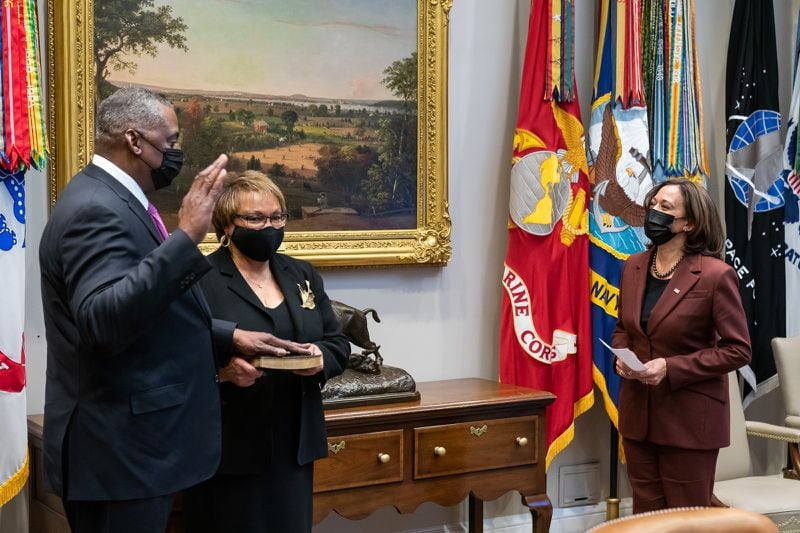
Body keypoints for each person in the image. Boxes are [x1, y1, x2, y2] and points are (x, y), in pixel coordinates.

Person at [39, 88, 299, 533]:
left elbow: (147, 311)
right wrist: (186, 237)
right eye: (171, 141)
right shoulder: (97, 209)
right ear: (135, 141)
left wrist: (226, 337)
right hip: (119, 453)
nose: (177, 153)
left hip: (133, 452)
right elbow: (104, 321)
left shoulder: (116, 199)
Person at [183, 171, 350, 533]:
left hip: (293, 445)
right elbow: (176, 351)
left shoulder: (301, 273)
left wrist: (319, 358)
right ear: (227, 225)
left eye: (277, 218)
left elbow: (337, 343)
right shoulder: (199, 277)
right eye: (255, 219)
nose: (269, 227)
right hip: (228, 447)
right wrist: (224, 374)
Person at [612, 178, 752, 513]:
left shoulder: (715, 276)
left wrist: (670, 367)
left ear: (687, 223)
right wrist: (622, 357)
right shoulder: (634, 265)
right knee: (648, 517)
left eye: (665, 208)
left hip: (689, 422)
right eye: (653, 204)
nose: (653, 212)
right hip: (638, 417)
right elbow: (623, 329)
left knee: (687, 518)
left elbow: (738, 350)